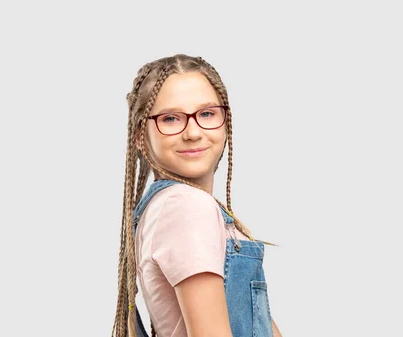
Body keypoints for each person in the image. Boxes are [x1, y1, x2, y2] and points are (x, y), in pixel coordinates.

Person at [111, 54, 282, 337]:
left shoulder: (165, 207)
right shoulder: (186, 207)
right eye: (170, 119)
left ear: (225, 121)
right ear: (140, 136)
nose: (192, 132)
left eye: (206, 114)